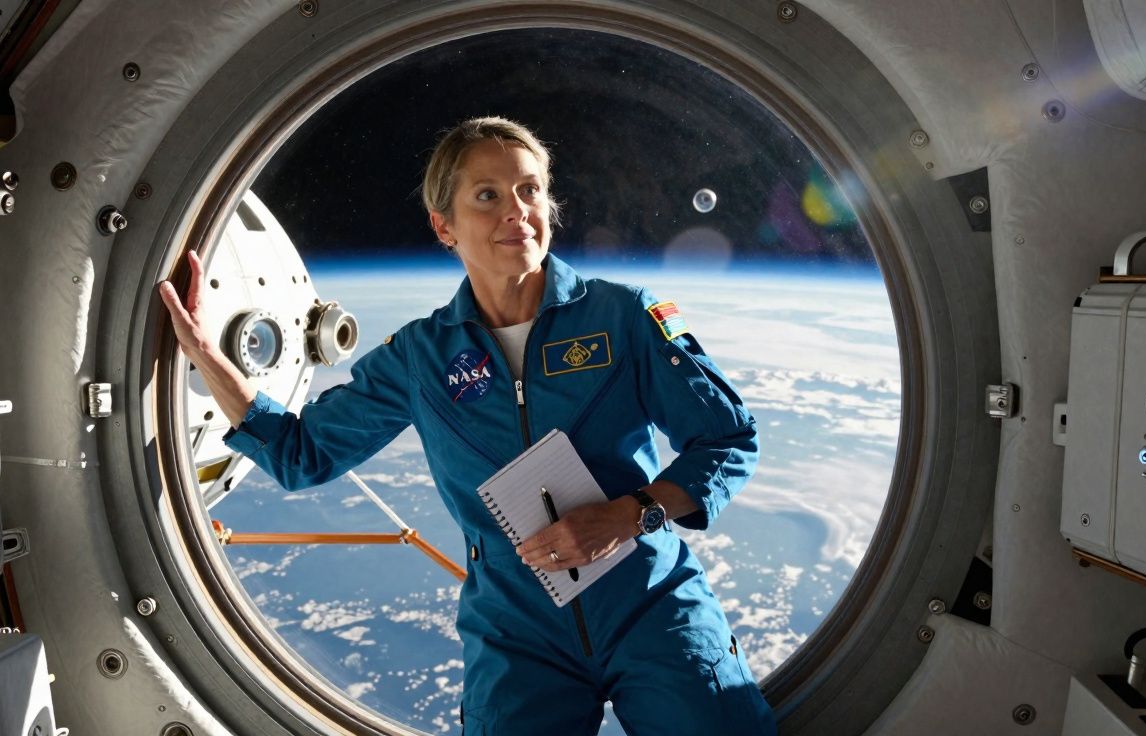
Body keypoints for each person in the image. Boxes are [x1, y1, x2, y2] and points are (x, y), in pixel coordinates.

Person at [159, 116, 777, 735]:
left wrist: (628, 515)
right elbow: (299, 454)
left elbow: (727, 438)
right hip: (517, 634)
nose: (517, 211)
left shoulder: (624, 316)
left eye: (530, 190)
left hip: (650, 603)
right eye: (487, 196)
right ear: (443, 225)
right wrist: (206, 355)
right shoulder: (419, 357)